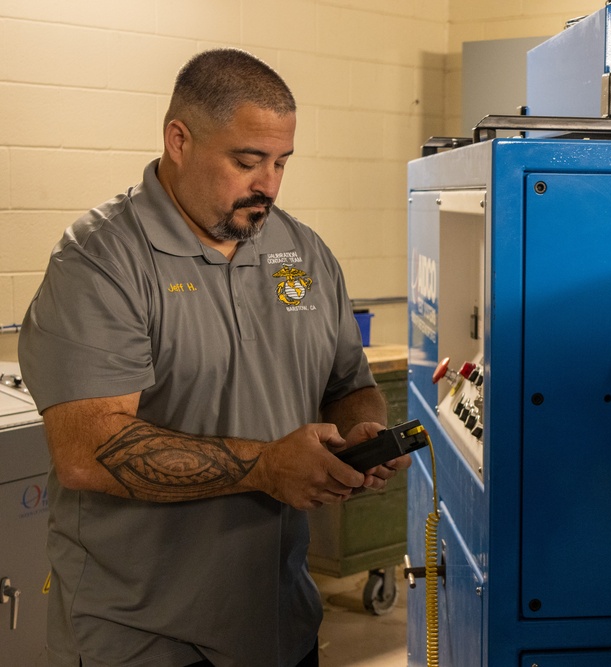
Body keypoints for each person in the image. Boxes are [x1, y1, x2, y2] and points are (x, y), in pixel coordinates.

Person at [18, 48, 409, 667]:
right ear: (179, 139)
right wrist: (265, 467)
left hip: (278, 621)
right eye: (247, 161)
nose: (270, 185)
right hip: (141, 635)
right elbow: (87, 452)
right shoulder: (101, 260)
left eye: (282, 162)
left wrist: (360, 434)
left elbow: (346, 380)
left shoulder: (301, 253)